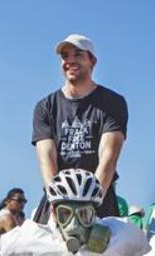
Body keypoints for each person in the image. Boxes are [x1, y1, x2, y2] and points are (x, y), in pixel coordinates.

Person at [1, 169, 148, 256]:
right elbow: (8, 255)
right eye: (65, 214)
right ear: (53, 212)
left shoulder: (116, 234)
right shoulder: (34, 237)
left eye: (84, 214)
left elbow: (137, 251)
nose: (74, 224)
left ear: (95, 212)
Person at [32, 34, 128, 221]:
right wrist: (57, 201)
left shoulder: (112, 102)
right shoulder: (45, 106)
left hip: (98, 197)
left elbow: (108, 158)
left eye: (78, 55)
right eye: (65, 56)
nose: (70, 61)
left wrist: (89, 204)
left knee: (108, 248)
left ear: (92, 61)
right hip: (58, 200)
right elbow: (47, 158)